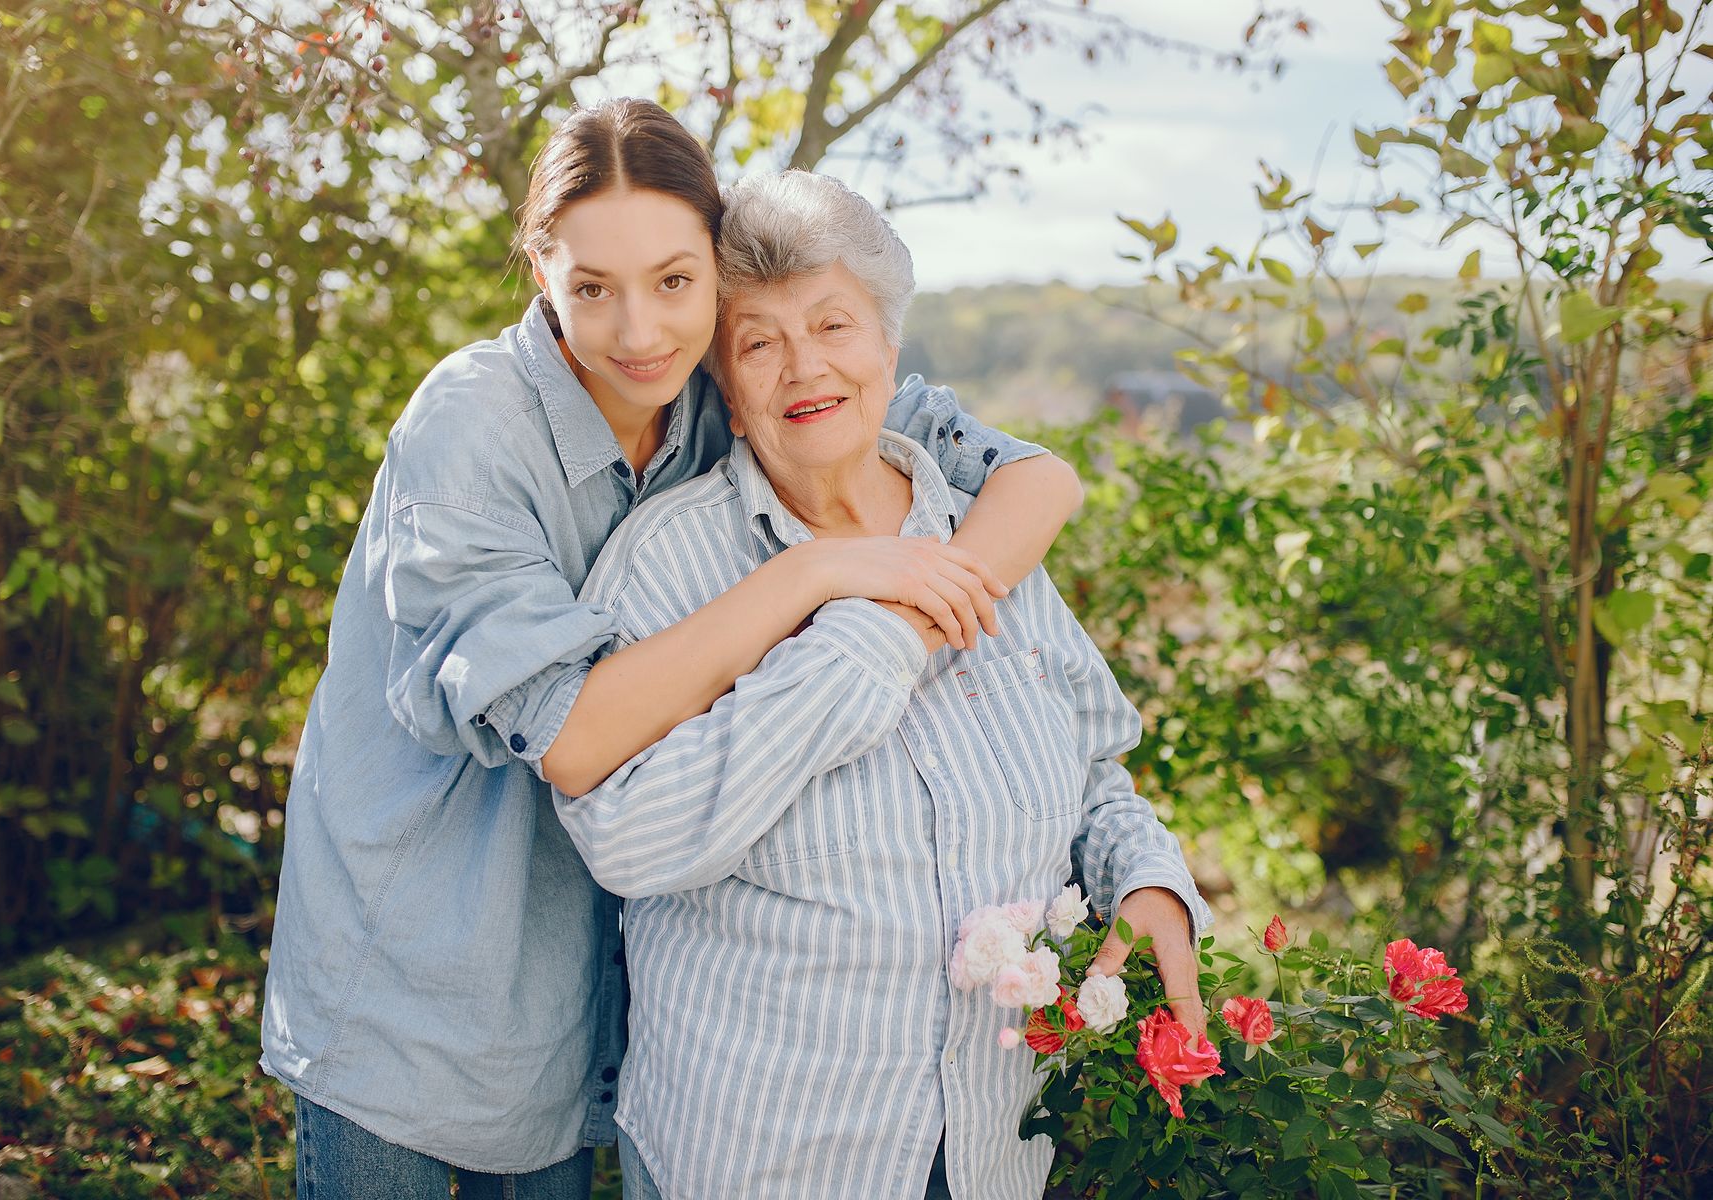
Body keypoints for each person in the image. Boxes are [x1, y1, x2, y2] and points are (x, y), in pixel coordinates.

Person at [259, 100, 1085, 1199]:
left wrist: (916, 610)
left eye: (673, 282)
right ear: (538, 268)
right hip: (421, 978)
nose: (639, 330)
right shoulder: (470, 429)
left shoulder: (732, 381)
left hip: (586, 991)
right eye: (591, 287)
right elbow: (576, 733)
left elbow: (1038, 480)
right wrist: (817, 575)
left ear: (711, 266)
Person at [554, 170, 1212, 1200]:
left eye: (833, 325)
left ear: (889, 350)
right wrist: (873, 640)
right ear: (722, 380)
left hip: (993, 1147)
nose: (802, 366)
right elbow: (627, 841)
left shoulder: (982, 531)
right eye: (759, 341)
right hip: (768, 1156)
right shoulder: (666, 569)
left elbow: (1090, 766)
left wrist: (1148, 882)